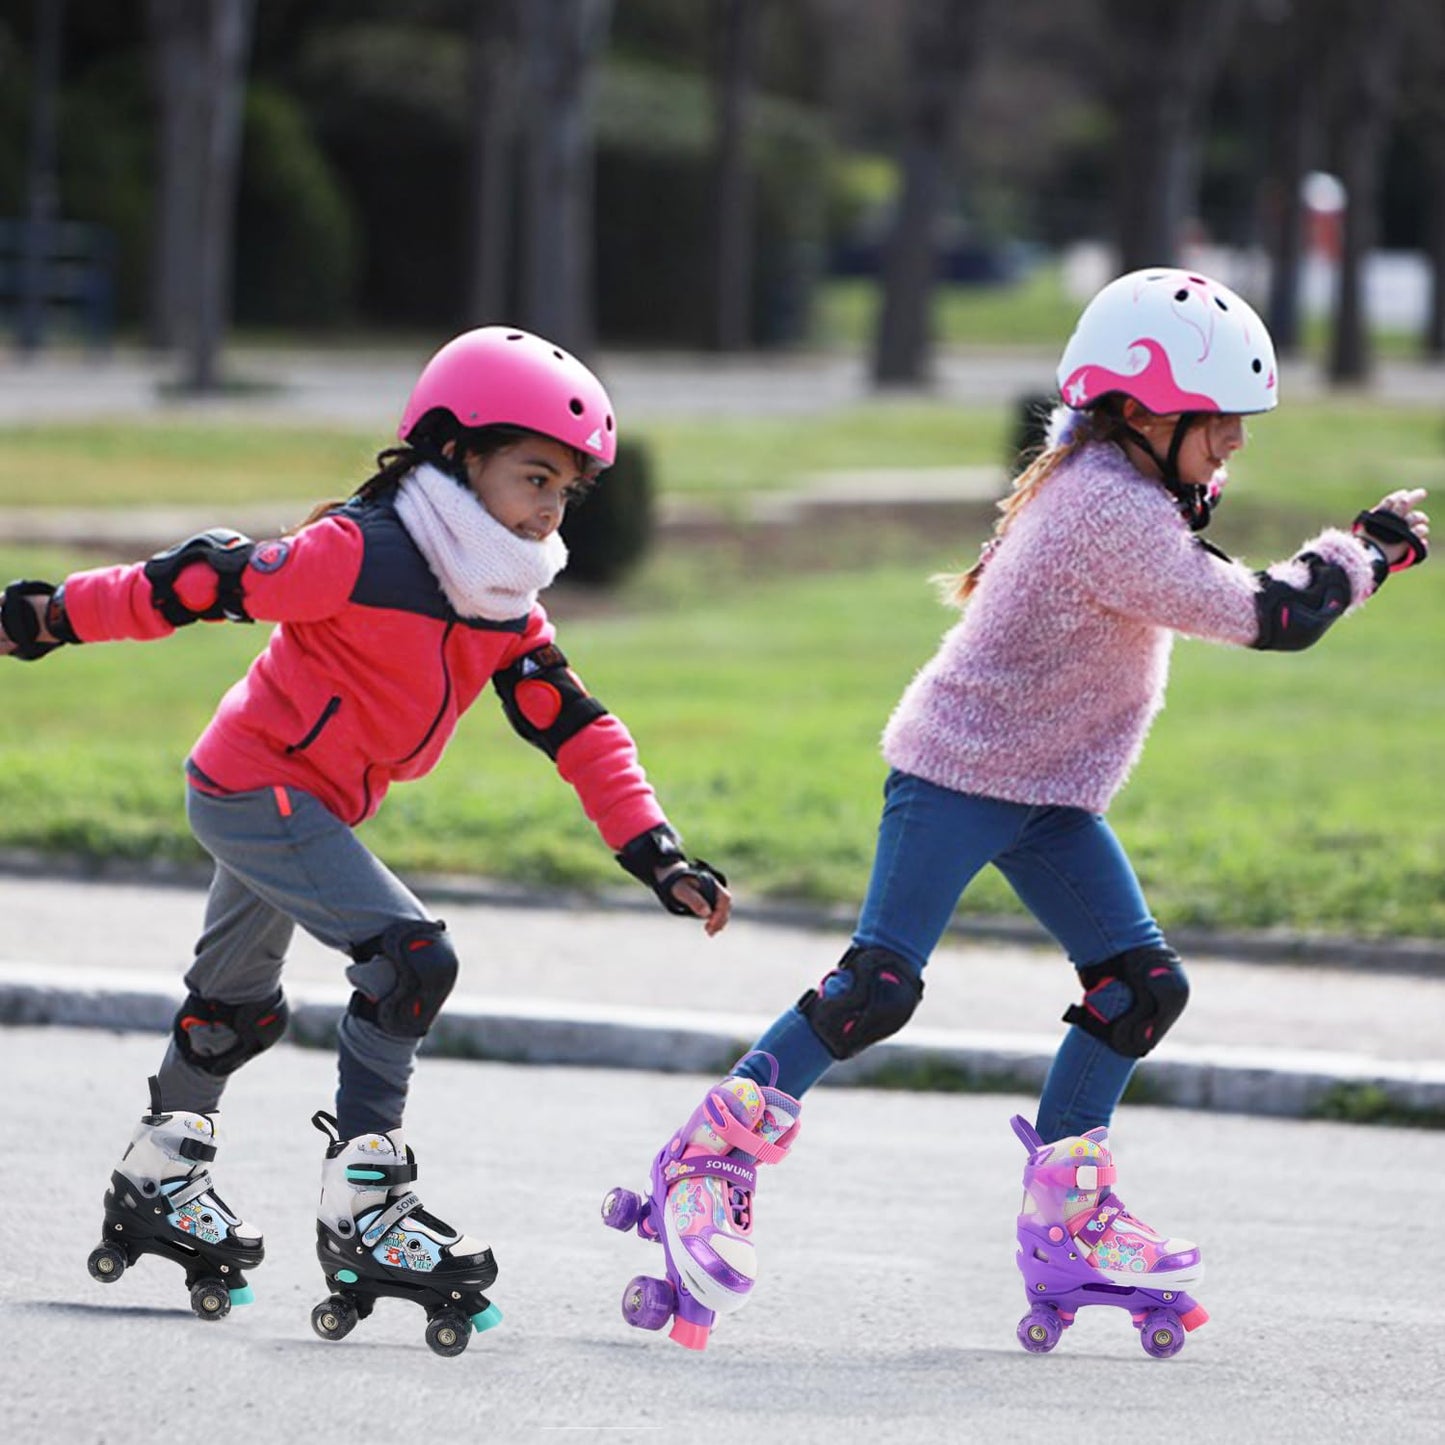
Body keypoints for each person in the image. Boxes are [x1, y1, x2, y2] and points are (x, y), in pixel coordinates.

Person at [601, 267, 1429, 1355]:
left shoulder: (1118, 486)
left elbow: (1226, 580)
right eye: (1217, 421)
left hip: (1045, 794)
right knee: (875, 987)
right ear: (1140, 412)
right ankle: (703, 1161)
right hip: (955, 773)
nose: (1232, 442)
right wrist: (1363, 550)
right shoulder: (1108, 508)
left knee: (1140, 986)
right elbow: (1268, 616)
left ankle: (1066, 1219)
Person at [0, 326, 729, 1356]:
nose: (550, 509)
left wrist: (655, 850)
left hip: (307, 804)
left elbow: (574, 724)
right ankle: (366, 1205)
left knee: (234, 1009)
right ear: (453, 453)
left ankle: (157, 1177)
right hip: (258, 787)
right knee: (410, 959)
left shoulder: (499, 599)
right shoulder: (359, 551)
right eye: (532, 476)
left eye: (566, 490)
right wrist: (43, 616)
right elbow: (197, 582)